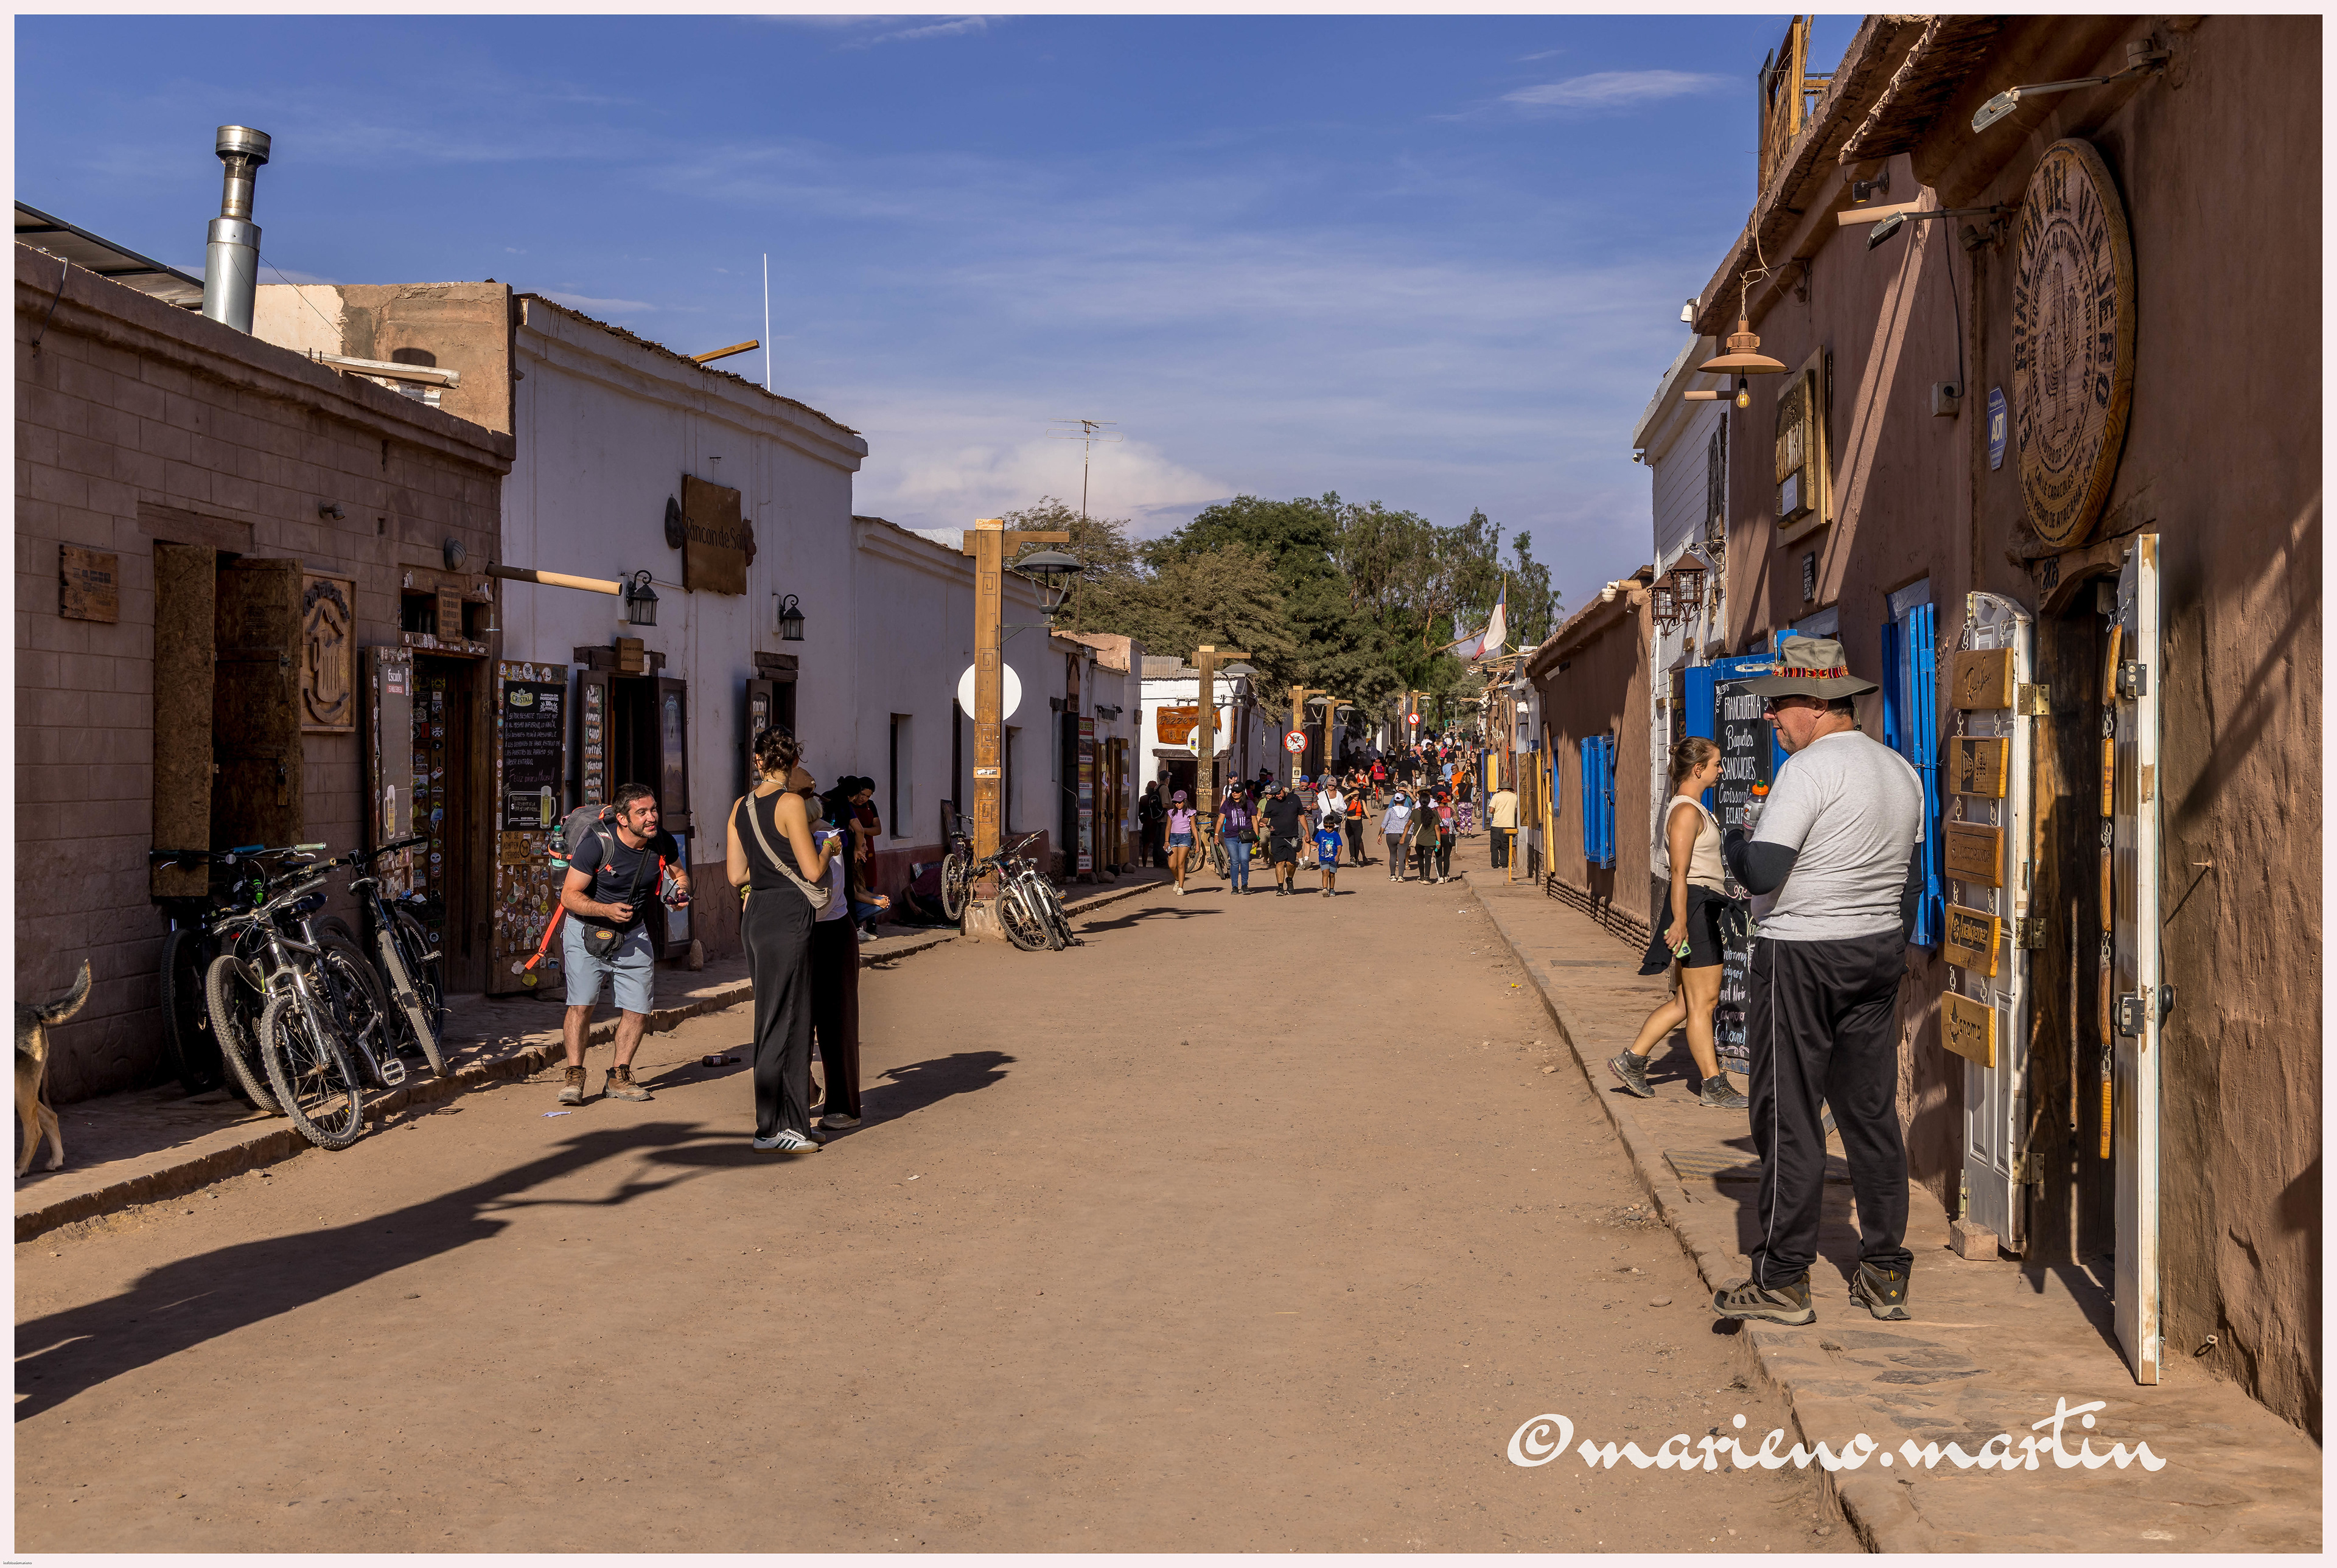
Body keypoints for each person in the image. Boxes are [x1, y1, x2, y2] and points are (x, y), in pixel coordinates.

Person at [1710, 636, 1924, 1329]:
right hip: (1876, 949)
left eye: (1779, 705)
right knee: (1870, 1112)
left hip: (1801, 953)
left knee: (1787, 1114)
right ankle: (1886, 1271)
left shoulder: (1807, 772)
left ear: (1814, 703)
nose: (1772, 719)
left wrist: (1735, 842)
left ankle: (1782, 1277)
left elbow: (1764, 874)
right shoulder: (1901, 772)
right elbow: (1912, 883)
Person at [1609, 739, 1746, 1109]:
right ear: (1698, 769)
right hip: (1696, 910)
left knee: (1685, 1002)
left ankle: (1631, 1061)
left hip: (1701, 907)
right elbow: (1680, 873)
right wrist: (1682, 922)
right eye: (1716, 765)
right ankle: (1713, 1085)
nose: (1721, 771)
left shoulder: (1694, 809)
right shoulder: (1686, 813)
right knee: (1704, 1002)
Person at [724, 730, 829, 1152]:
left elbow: (736, 875)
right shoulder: (791, 804)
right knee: (792, 1018)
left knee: (771, 1018)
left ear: (757, 760)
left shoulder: (740, 806)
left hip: (757, 915)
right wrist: (830, 848)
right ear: (793, 761)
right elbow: (813, 871)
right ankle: (781, 1128)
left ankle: (781, 1123)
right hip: (788, 914)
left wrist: (769, 868)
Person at [556, 782, 688, 1106]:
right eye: (642, 812)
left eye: (653, 809)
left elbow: (679, 874)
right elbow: (569, 896)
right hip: (586, 930)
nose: (651, 817)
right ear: (622, 818)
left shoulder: (662, 841)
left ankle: (620, 1074)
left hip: (634, 933)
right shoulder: (597, 844)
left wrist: (680, 892)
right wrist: (605, 910)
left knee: (638, 1008)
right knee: (582, 1004)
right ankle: (575, 1074)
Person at [803, 789, 862, 1131]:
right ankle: (804, 1093)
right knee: (796, 1020)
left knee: (836, 1022)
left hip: (829, 932)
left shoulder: (828, 837)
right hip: (798, 934)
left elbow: (824, 899)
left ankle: (843, 1105)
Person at [1261, 781, 1306, 896]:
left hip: (1292, 836)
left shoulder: (1295, 799)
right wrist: (1263, 822)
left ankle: (1290, 880)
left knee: (1291, 863)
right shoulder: (1271, 803)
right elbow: (1266, 818)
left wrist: (1307, 832)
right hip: (1277, 836)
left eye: (1278, 793)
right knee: (1280, 862)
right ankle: (1280, 888)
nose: (1277, 796)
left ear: (1284, 789)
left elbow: (1301, 816)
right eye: (1275, 794)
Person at [1220, 789, 1256, 894]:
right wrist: (1217, 834)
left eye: (1237, 791)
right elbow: (1221, 819)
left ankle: (1245, 885)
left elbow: (1254, 820)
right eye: (1233, 791)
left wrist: (1256, 836)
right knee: (1235, 861)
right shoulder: (1227, 803)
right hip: (1231, 837)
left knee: (1244, 859)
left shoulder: (1249, 804)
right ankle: (1234, 886)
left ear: (1242, 792)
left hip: (1246, 836)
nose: (1234, 793)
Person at [1165, 790, 1198, 894]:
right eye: (1175, 802)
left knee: (1180, 863)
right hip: (1173, 838)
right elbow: (1168, 828)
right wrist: (1167, 841)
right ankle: (1177, 880)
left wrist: (1197, 843)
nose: (1177, 804)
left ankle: (1181, 888)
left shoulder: (1190, 813)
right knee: (1171, 865)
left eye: (1179, 802)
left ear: (1185, 801)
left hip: (1185, 837)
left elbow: (1193, 828)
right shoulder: (1171, 813)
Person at [1380, 792, 1414, 881]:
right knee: (1402, 856)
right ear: (1403, 802)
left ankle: (1392, 875)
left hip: (1391, 834)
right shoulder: (1409, 811)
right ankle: (1401, 876)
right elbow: (1412, 824)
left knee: (1393, 855)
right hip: (1405, 835)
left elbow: (1384, 823)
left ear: (1394, 802)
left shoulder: (1391, 811)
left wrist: (1380, 835)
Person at [1312, 808, 1344, 897]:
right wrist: (1309, 842)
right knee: (1325, 872)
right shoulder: (1321, 834)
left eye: (1330, 827)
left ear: (1334, 826)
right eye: (1326, 827)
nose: (1328, 828)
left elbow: (1339, 846)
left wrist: (1338, 855)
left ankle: (1332, 889)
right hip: (1323, 858)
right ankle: (1325, 889)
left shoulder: (1336, 835)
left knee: (1332, 874)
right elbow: (1316, 843)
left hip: (1333, 858)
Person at [1487, 781, 1520, 868]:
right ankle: (1504, 864)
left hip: (1497, 825)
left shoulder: (1496, 796)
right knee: (1505, 846)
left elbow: (1491, 810)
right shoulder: (1515, 797)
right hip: (1510, 825)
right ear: (1510, 789)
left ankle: (1495, 865)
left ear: (1501, 789)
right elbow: (1516, 810)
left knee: (1495, 847)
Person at [1139, 781, 1167, 869]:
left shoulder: (1143, 799)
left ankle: (1144, 865)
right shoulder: (1158, 799)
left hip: (1147, 824)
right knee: (1158, 844)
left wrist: (1142, 820)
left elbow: (1140, 813)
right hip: (1156, 823)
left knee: (1145, 846)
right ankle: (1158, 863)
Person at [1344, 789, 1369, 865]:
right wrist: (1350, 794)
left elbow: (1366, 811)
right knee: (1351, 842)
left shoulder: (1361, 802)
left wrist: (1370, 819)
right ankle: (1352, 858)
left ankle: (1357, 858)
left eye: (1358, 794)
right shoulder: (1349, 802)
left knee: (1357, 842)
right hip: (1349, 823)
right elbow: (1342, 800)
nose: (1356, 796)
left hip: (1358, 824)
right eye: (1355, 795)